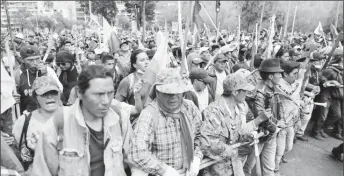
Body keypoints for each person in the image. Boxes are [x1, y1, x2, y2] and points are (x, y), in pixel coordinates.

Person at [31, 65, 132, 176]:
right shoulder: (59, 123)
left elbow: (133, 162)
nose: (106, 101)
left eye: (110, 93)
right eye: (98, 94)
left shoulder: (120, 119)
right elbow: (42, 171)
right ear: (79, 93)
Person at [129, 68, 203, 176]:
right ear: (158, 93)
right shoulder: (149, 115)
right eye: (168, 93)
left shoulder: (189, 107)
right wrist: (164, 170)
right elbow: (138, 154)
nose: (173, 97)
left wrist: (196, 157)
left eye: (176, 92)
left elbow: (202, 136)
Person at [200, 69, 269, 176]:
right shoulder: (214, 111)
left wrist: (246, 137)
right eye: (244, 90)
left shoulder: (237, 109)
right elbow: (207, 143)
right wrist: (227, 149)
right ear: (235, 92)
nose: (247, 93)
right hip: (216, 170)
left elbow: (236, 134)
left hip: (234, 165)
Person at [12, 76, 61, 172]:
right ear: (35, 97)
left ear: (59, 93)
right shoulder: (24, 122)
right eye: (44, 94)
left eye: (53, 92)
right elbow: (17, 154)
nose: (49, 97)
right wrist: (30, 151)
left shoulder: (73, 117)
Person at [243, 59, 283, 176]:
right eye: (278, 73)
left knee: (269, 168)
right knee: (248, 166)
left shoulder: (273, 87)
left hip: (270, 134)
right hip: (260, 136)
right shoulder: (260, 92)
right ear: (270, 76)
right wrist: (274, 128)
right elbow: (261, 116)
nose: (281, 75)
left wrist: (278, 123)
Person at [17, 45, 62, 113]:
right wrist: (14, 98)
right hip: (28, 114)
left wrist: (45, 75)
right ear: (22, 60)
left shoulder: (48, 70)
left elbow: (60, 90)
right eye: (30, 60)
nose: (35, 62)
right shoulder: (17, 74)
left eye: (37, 59)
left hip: (48, 112)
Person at [312, 49, 343, 140]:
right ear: (340, 59)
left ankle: (322, 128)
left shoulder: (340, 70)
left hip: (335, 95)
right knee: (322, 115)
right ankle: (316, 131)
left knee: (337, 115)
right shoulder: (330, 69)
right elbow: (321, 80)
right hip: (325, 95)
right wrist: (331, 81)